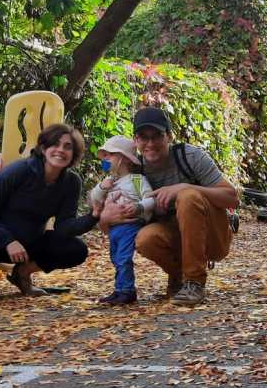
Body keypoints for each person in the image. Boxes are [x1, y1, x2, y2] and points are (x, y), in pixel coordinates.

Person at [98, 107, 239, 305]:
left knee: (188, 196)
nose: (150, 143)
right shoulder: (134, 172)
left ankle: (194, 282)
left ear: (169, 136)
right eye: (143, 137)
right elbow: (105, 222)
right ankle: (178, 276)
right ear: (136, 141)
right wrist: (106, 217)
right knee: (144, 239)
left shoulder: (189, 157)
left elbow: (232, 198)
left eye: (157, 136)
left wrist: (183, 187)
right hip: (173, 234)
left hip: (212, 236)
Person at [0, 123, 96, 304]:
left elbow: (64, 226)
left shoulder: (71, 182)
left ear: (73, 154)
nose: (61, 150)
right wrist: (8, 240)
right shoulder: (19, 170)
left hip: (29, 247)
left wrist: (94, 216)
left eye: (67, 147)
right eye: (55, 144)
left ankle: (22, 274)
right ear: (44, 148)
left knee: (77, 249)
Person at [88, 135, 155, 305]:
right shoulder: (109, 182)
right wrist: (102, 187)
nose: (105, 160)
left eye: (109, 155)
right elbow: (94, 200)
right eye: (104, 156)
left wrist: (139, 207)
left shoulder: (137, 180)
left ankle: (127, 291)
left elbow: (151, 200)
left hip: (130, 225)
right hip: (114, 228)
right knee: (116, 258)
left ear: (123, 158)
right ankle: (119, 290)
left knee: (123, 258)